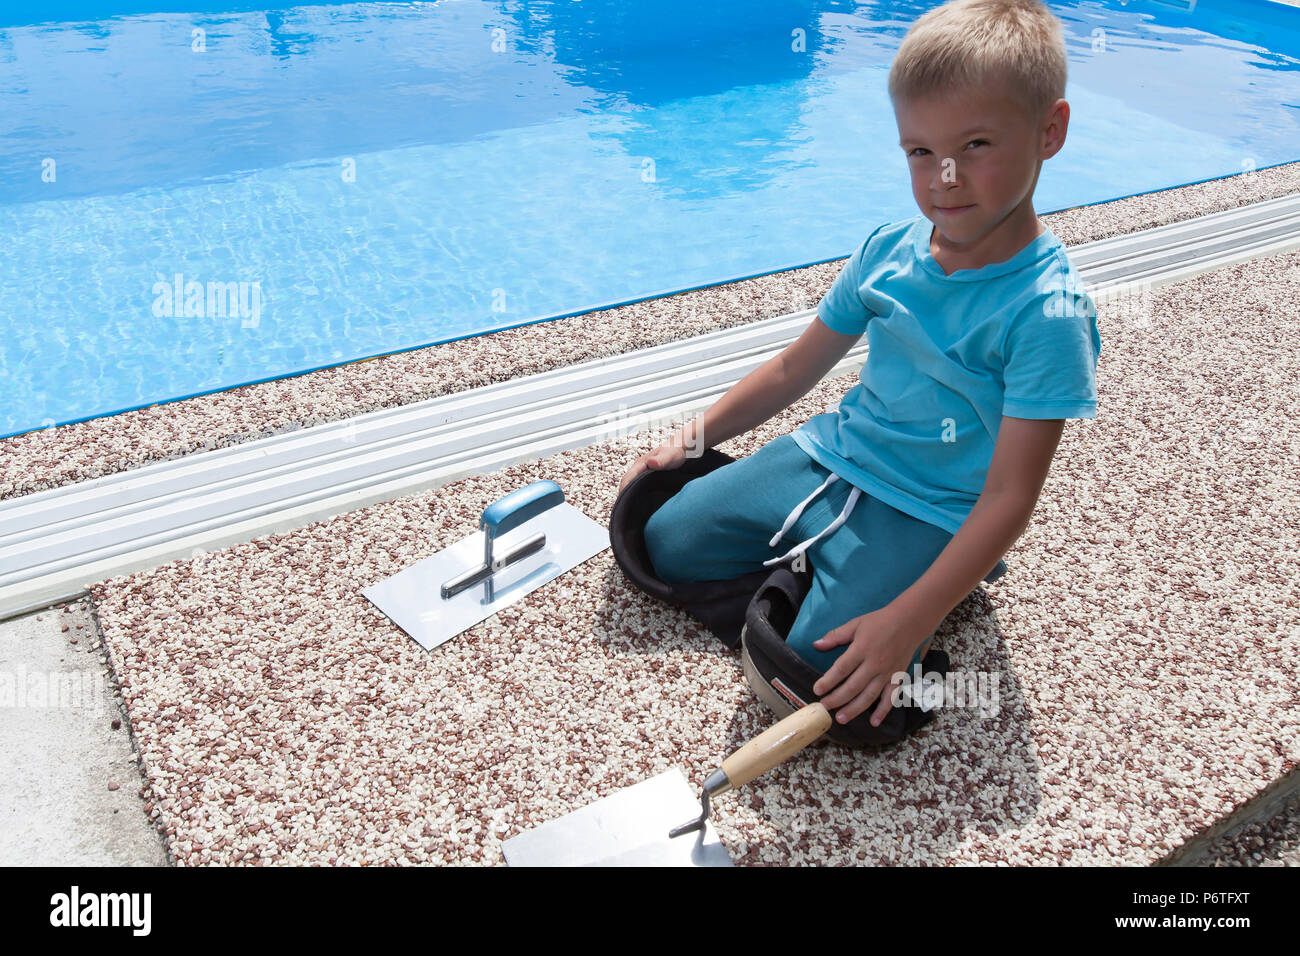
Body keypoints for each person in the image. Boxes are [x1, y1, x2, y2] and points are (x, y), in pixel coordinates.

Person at [618, 0, 1101, 732]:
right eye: (919, 151)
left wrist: (910, 621)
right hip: (837, 455)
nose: (944, 177)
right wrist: (694, 434)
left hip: (933, 510)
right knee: (659, 538)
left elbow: (1009, 498)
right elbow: (792, 370)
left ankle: (903, 603)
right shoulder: (888, 251)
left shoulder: (1046, 312)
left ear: (1049, 132)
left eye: (976, 144)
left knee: (820, 685)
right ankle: (817, 579)